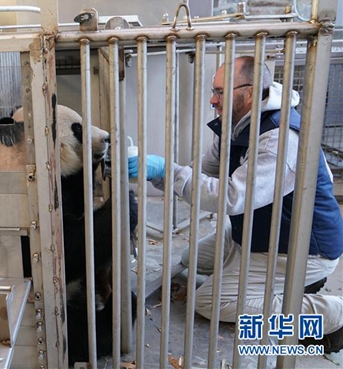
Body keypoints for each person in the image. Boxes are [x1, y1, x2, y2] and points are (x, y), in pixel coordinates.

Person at [129, 56, 343, 353]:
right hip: (255, 233)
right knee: (193, 258)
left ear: (250, 92)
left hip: (296, 249)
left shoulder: (282, 139)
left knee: (211, 303)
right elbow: (202, 172)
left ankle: (331, 315)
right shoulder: (238, 125)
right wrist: (157, 173)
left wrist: (170, 170)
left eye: (220, 92)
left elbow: (232, 196)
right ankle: (275, 286)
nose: (212, 100)